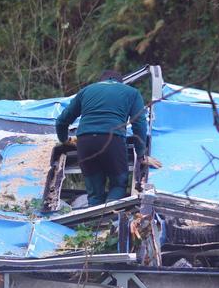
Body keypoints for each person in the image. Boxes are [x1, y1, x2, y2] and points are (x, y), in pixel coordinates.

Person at [55, 69, 158, 206]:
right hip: (113, 140)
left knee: (95, 192)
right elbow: (139, 124)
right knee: (118, 184)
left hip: (85, 141)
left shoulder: (86, 91)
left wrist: (65, 140)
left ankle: (93, 222)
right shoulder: (132, 93)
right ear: (120, 82)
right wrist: (141, 155)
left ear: (101, 81)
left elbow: (61, 121)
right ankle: (110, 219)